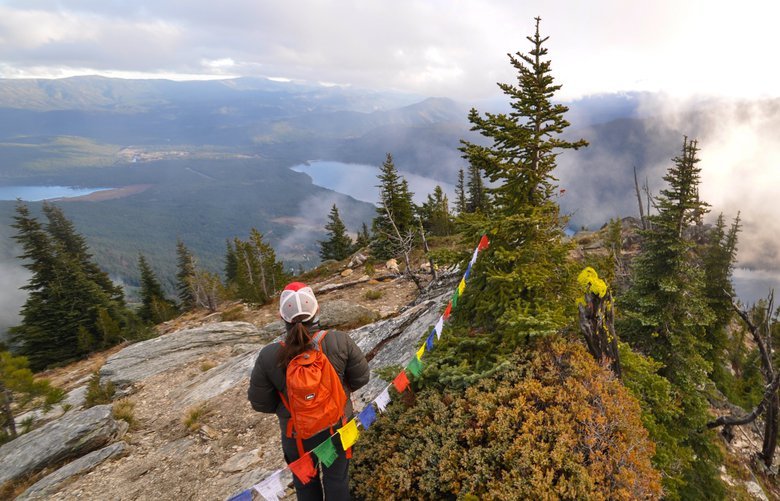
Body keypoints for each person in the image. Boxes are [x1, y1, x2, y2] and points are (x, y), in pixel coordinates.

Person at [248, 282, 369, 500]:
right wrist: (336, 394)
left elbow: (260, 403)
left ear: (282, 317)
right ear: (317, 310)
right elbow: (361, 378)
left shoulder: (269, 355)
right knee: (337, 480)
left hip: (296, 435)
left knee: (305, 486)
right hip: (337, 427)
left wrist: (290, 406)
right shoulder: (339, 340)